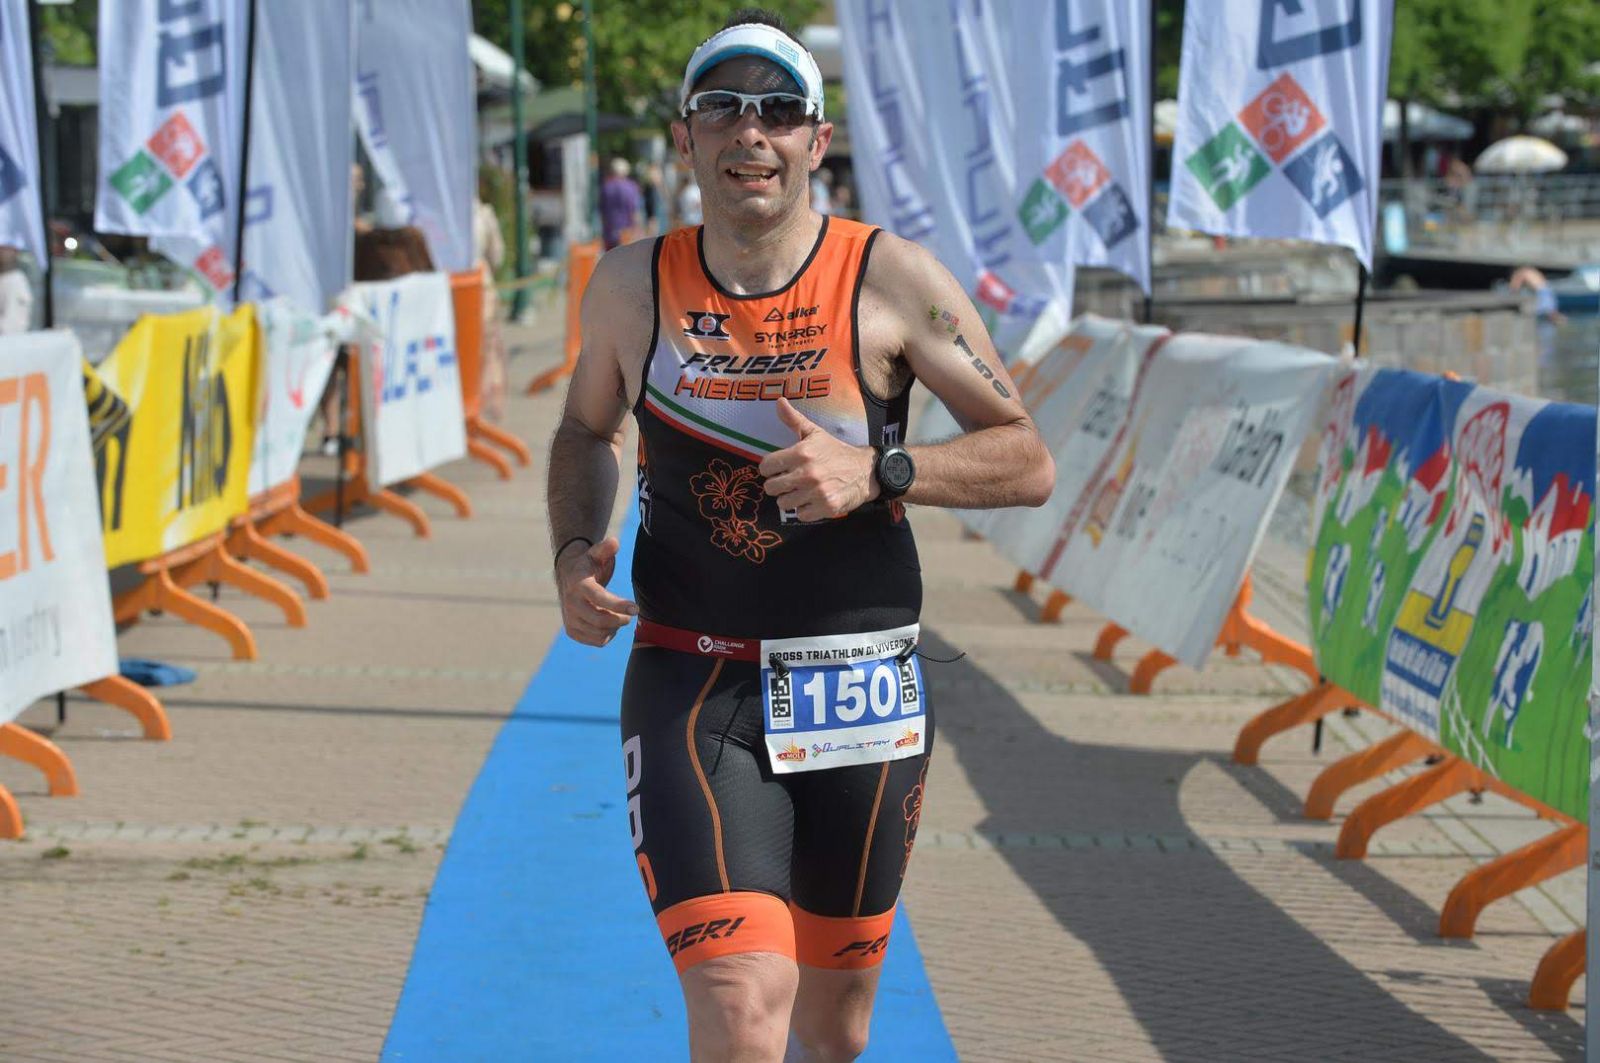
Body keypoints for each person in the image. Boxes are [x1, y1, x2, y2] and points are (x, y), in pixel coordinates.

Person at [546, 10, 1053, 1061]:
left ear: (817, 142)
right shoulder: (632, 285)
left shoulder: (894, 279)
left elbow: (1026, 458)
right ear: (685, 138)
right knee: (741, 1002)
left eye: (779, 110)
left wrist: (881, 470)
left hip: (859, 686)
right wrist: (571, 549)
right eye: (723, 109)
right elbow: (585, 431)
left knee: (835, 1029)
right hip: (693, 679)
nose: (751, 132)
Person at [600, 157, 644, 250]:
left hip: (610, 231)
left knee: (611, 257)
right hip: (627, 231)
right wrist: (638, 229)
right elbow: (634, 210)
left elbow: (602, 211)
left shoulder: (606, 187)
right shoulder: (631, 187)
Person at [0, 245, 34, 336]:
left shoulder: (15, 281)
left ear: (15, 251)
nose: (1, 250)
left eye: (4, 247)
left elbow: (12, 327)